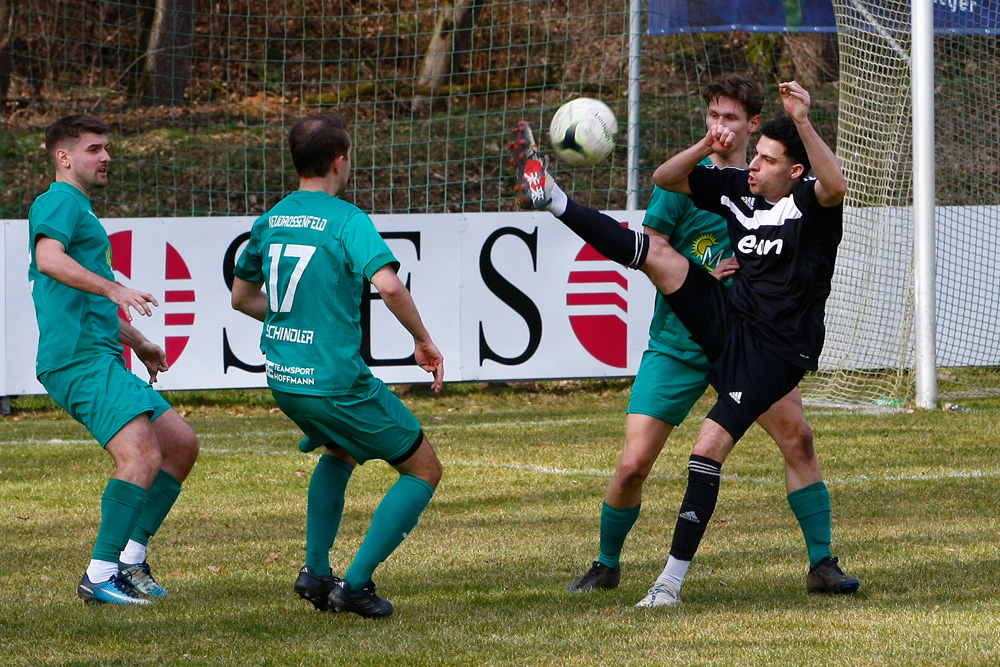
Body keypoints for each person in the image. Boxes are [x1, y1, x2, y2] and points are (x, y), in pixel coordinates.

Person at [510, 80, 859, 606]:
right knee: (656, 259)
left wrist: (805, 122)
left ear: (787, 163)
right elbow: (664, 180)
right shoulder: (732, 184)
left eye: (764, 157)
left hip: (771, 354)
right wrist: (708, 148)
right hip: (709, 328)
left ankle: (683, 581)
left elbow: (835, 187)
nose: (753, 166)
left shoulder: (811, 202)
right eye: (754, 158)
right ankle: (554, 200)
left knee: (737, 446)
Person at [231, 110, 445, 620]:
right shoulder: (348, 219)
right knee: (423, 470)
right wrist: (423, 341)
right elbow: (389, 285)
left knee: (341, 450)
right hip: (334, 381)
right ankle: (355, 585)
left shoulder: (272, 218)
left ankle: (315, 571)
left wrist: (289, 316)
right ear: (339, 160)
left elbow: (241, 298)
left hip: (284, 378)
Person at [28, 114, 200, 606]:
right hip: (77, 360)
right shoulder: (59, 200)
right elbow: (48, 259)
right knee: (141, 456)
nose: (106, 157)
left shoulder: (79, 209)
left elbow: (80, 294)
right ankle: (100, 575)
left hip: (99, 353)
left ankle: (129, 559)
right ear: (64, 157)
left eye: (107, 148)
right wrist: (115, 287)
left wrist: (138, 340)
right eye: (94, 149)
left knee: (180, 446)